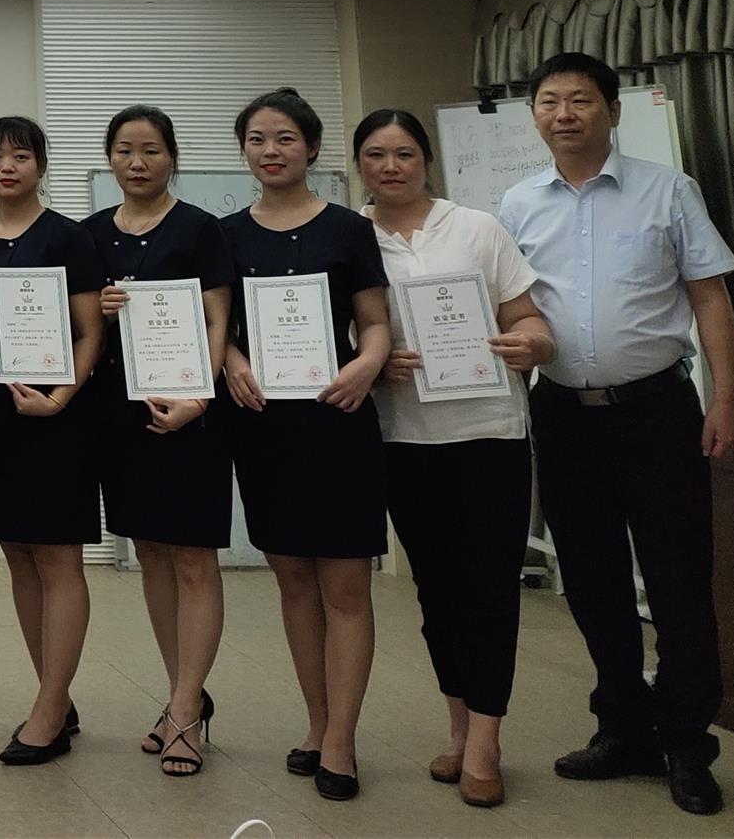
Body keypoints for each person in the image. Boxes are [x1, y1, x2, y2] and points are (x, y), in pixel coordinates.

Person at [500, 51, 734, 819]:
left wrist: (726, 398)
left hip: (657, 411)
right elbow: (506, 308)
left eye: (580, 100)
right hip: (563, 412)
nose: (564, 114)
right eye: (549, 101)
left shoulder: (669, 190)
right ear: (534, 115)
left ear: (612, 110)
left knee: (677, 581)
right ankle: (622, 729)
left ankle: (687, 742)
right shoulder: (517, 204)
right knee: (592, 582)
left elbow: (710, 298)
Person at [360, 107, 554, 811]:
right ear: (359, 165)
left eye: (405, 153)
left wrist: (532, 344)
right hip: (403, 439)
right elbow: (344, 337)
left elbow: (529, 319)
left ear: (426, 161)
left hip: (489, 433)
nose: (391, 166)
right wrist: (375, 363)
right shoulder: (352, 237)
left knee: (490, 588)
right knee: (436, 592)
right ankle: (459, 726)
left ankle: (486, 742)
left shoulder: (477, 228)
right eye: (376, 154)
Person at [220, 87, 391, 803]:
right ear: (244, 151)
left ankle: (343, 740)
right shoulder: (226, 234)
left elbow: (374, 323)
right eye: (258, 139)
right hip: (265, 426)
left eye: (285, 138)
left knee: (344, 585)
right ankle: (317, 722)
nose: (271, 151)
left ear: (312, 148)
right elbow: (218, 327)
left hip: (337, 417)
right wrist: (232, 361)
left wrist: (367, 366)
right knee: (292, 577)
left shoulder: (349, 228)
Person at [84, 106, 231, 781]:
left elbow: (218, 322)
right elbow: (77, 325)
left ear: (172, 156)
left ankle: (185, 711)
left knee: (194, 559)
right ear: (109, 158)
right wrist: (97, 309)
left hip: (189, 415)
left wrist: (198, 401)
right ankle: (182, 695)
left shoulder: (201, 229)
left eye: (150, 150)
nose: (137, 162)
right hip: (121, 416)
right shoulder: (90, 235)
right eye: (124, 150)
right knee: (149, 554)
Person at [0, 116, 103, 769]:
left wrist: (60, 398)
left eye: (20, 155)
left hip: (56, 416)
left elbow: (90, 334)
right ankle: (55, 695)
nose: (7, 166)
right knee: (18, 554)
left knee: (59, 558)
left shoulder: (69, 237)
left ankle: (47, 710)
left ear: (41, 164)